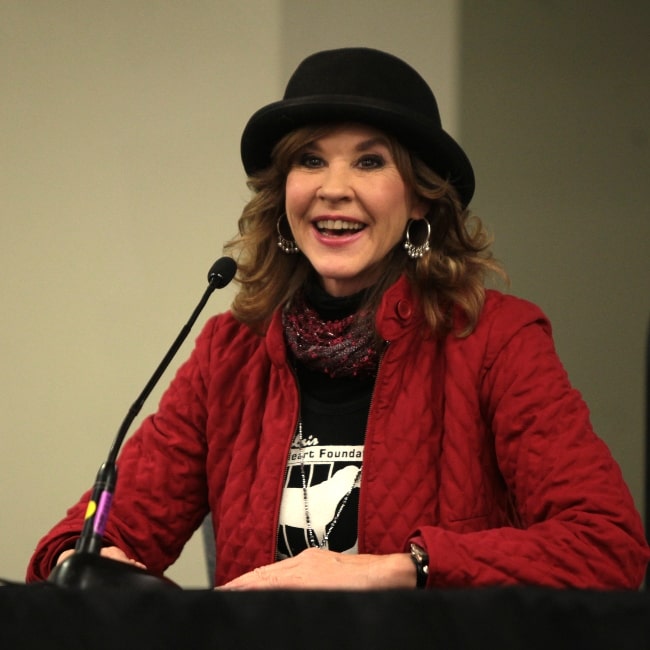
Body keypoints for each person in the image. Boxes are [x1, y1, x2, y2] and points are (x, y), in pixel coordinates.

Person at [27, 47, 649, 590]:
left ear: (421, 197)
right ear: (284, 193)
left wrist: (400, 568)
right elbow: (72, 544)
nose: (333, 188)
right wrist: (93, 572)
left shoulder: (495, 341)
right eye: (311, 160)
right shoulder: (230, 352)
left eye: (370, 162)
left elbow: (608, 547)